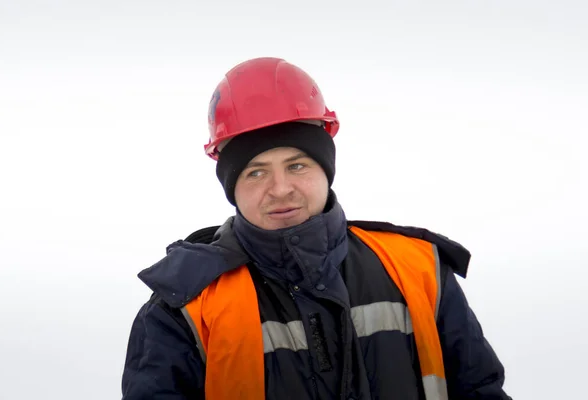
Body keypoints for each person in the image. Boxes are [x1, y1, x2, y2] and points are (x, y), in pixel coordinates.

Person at [121, 57, 511, 400]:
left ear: (326, 170)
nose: (280, 189)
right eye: (256, 172)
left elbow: (480, 390)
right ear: (231, 186)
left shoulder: (418, 268)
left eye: (297, 165)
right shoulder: (185, 305)